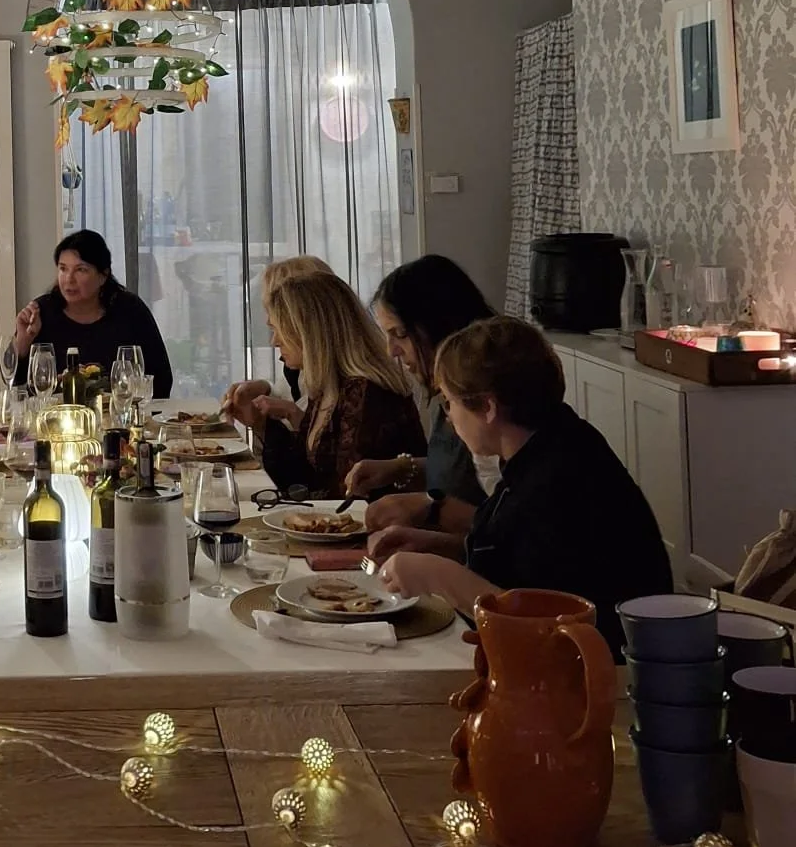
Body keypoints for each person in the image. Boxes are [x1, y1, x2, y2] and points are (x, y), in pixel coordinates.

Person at [370, 315, 672, 659]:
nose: (450, 417)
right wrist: (440, 547)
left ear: (487, 407)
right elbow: (521, 564)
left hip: (598, 674)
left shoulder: (559, 479)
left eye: (449, 402)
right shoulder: (555, 440)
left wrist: (438, 575)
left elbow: (542, 621)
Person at [226, 258, 424, 499]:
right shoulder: (328, 386)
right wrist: (260, 424)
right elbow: (300, 474)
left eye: (279, 330)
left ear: (309, 334)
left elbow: (344, 495)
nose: (274, 341)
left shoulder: (364, 393)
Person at [348, 254, 497, 534]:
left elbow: (512, 529)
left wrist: (429, 510)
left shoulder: (490, 397)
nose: (390, 350)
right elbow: (461, 470)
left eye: (400, 334)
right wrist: (402, 468)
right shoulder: (445, 388)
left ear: (438, 325)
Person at [11, 229, 173, 398]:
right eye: (63, 269)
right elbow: (16, 380)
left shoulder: (130, 310)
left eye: (81, 270)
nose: (69, 279)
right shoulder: (42, 311)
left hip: (117, 417)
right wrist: (23, 340)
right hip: (56, 417)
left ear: (103, 276)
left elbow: (161, 379)